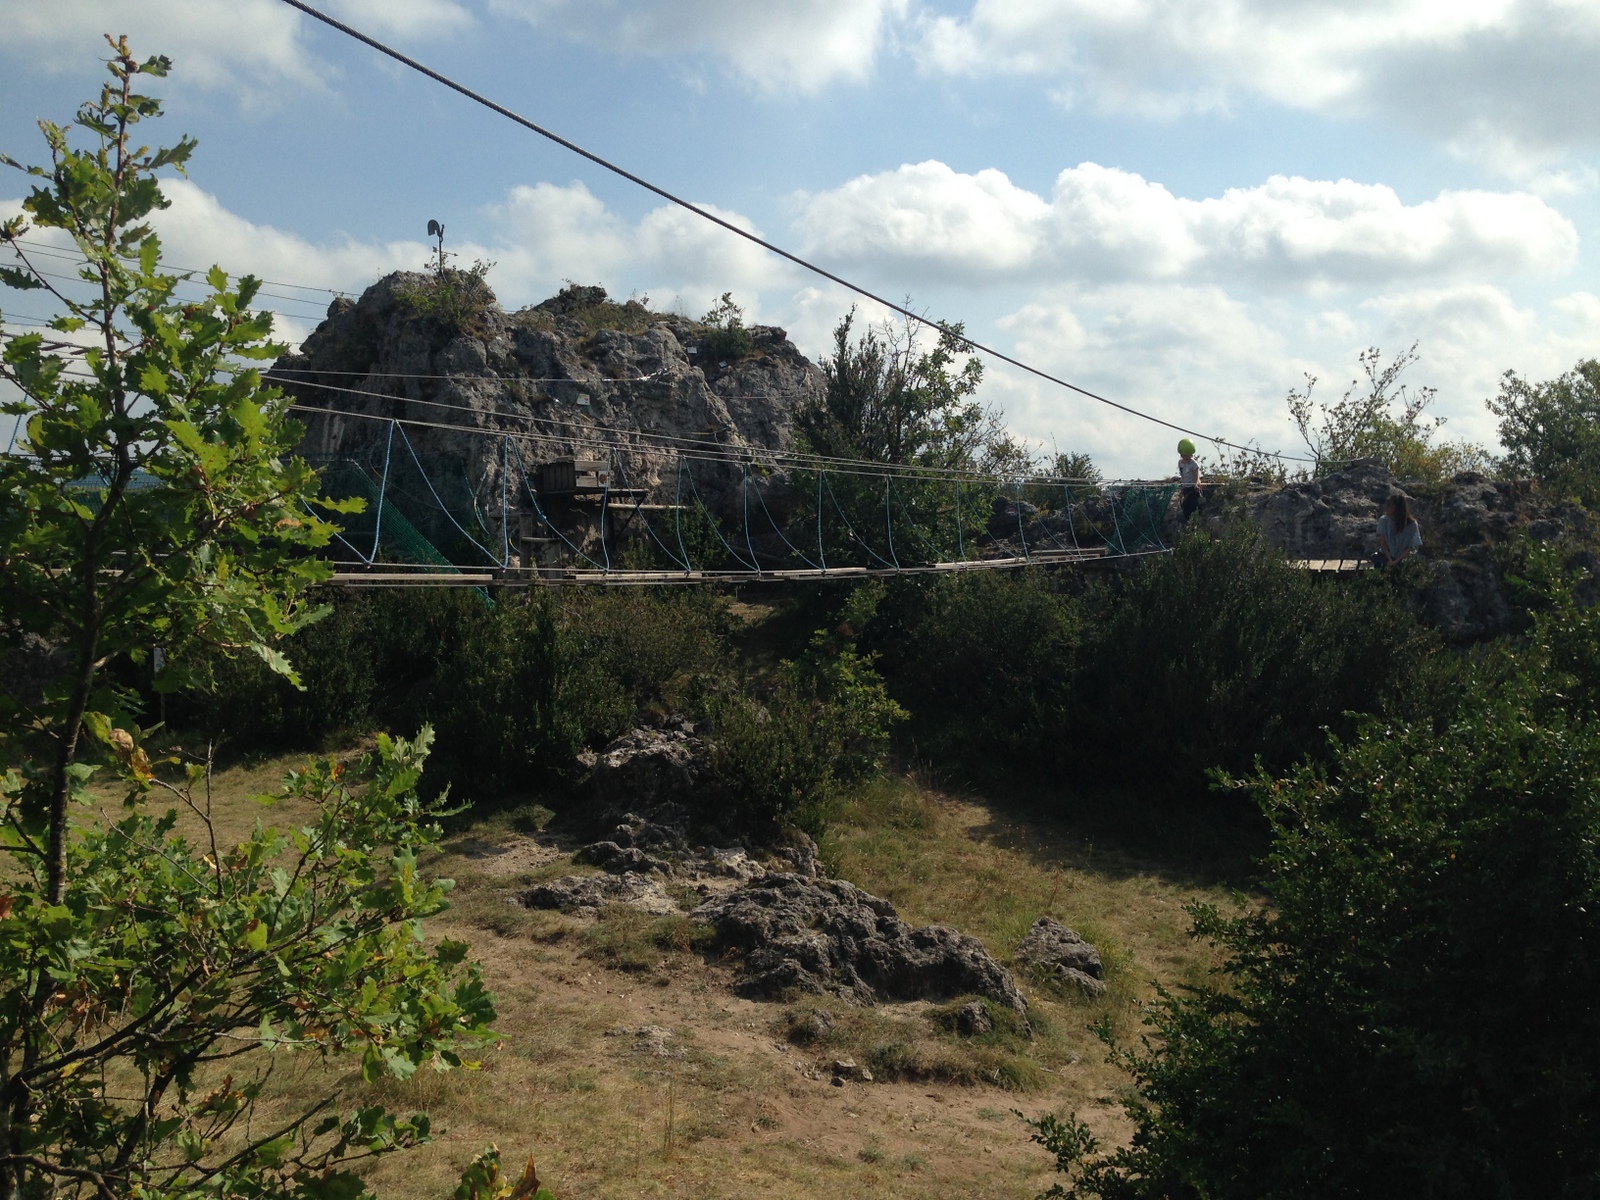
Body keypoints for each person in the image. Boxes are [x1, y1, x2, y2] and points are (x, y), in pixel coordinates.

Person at [1374, 493, 1422, 567]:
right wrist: (1390, 560)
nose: (1386, 507)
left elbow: (1410, 547)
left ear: (1395, 507)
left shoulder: (1411, 524)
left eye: (1389, 505)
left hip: (1403, 558)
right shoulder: (1384, 520)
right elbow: (1383, 543)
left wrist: (1397, 561)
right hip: (1386, 556)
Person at [1177, 439, 1202, 522]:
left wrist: (1196, 485)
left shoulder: (1194, 465)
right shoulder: (1180, 463)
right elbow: (1182, 475)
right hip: (1185, 488)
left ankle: (1193, 523)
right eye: (1184, 455)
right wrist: (1182, 484)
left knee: (1192, 507)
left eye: (1188, 455)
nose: (1187, 457)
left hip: (1192, 489)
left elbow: (1196, 477)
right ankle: (1188, 523)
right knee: (1185, 508)